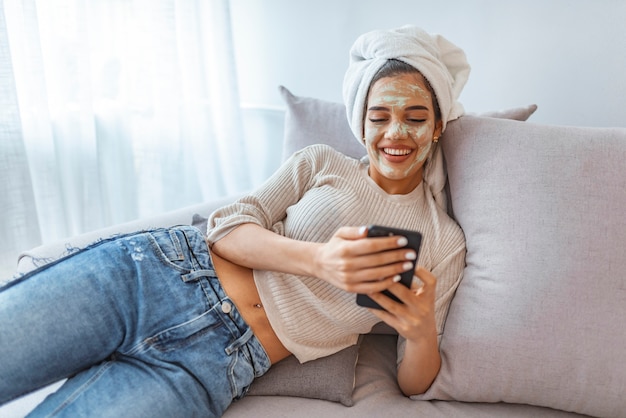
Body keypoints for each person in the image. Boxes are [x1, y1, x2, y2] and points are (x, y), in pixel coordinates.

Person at [0, 25, 470, 417]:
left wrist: (420, 328)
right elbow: (227, 229)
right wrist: (321, 260)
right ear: (361, 124)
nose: (395, 133)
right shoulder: (322, 162)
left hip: (214, 363)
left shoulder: (442, 240)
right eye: (379, 116)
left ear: (437, 127)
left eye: (415, 116)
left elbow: (414, 383)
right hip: (154, 276)